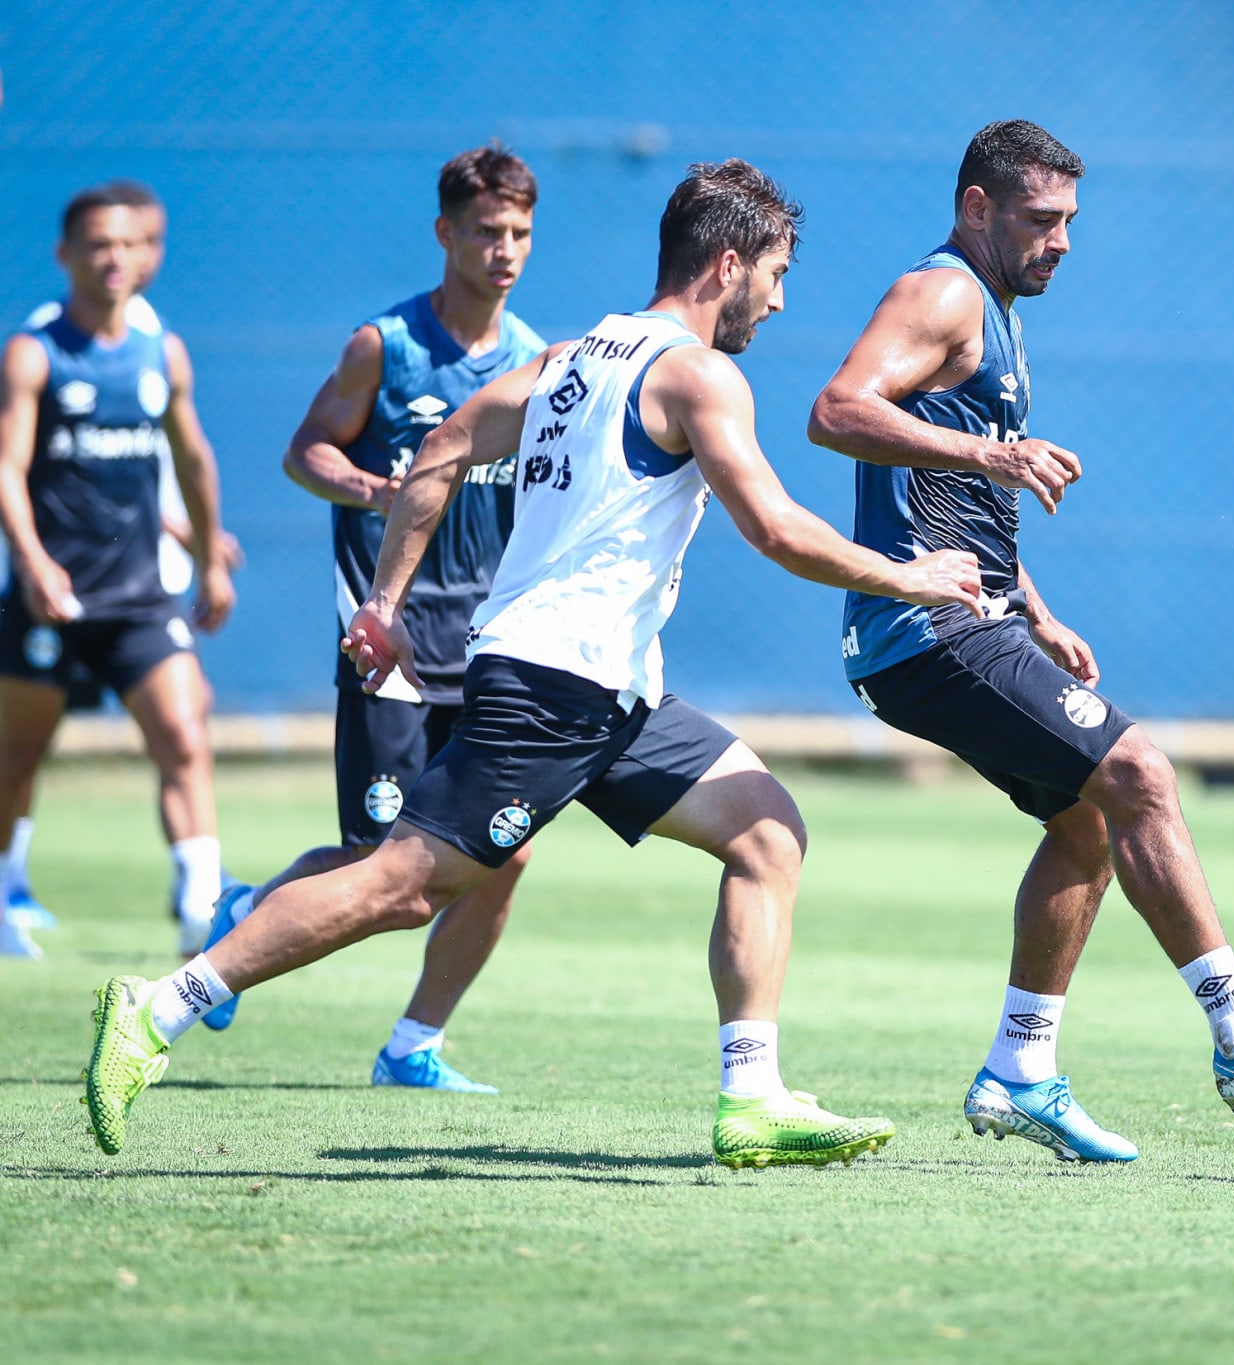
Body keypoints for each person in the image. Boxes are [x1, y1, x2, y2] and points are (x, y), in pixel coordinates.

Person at [82, 159, 984, 1168]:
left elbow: (441, 448)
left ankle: (752, 1098)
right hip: (557, 683)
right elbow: (772, 527)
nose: (779, 299)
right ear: (725, 264)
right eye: (774, 272)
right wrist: (909, 577)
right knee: (400, 886)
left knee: (767, 835)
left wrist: (385, 603)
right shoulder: (696, 373)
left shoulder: (570, 355)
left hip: (615, 692)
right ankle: (158, 1009)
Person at [809, 120, 1234, 1164]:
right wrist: (993, 450)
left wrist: (1036, 606)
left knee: (1085, 826)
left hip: (964, 620)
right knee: (1140, 774)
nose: (1061, 240)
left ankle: (1018, 1072)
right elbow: (837, 409)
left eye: (1069, 220)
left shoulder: (993, 313)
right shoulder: (937, 293)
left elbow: (946, 496)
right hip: (924, 626)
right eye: (1039, 218)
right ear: (975, 208)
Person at [192, 147, 548, 1094]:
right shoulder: (383, 347)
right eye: (484, 231)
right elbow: (304, 451)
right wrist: (368, 484)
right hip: (388, 640)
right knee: (375, 857)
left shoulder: (536, 364)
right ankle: (245, 913)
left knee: (500, 854)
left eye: (517, 232)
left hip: (490, 648)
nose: (503, 249)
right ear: (446, 234)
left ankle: (413, 1045)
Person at [0, 185, 236, 962]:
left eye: (130, 244)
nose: (115, 258)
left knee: (181, 732)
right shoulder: (36, 352)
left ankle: (201, 906)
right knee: (18, 757)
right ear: (66, 254)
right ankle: (6, 890)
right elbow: (9, 464)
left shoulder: (161, 350)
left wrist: (208, 558)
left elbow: (191, 457)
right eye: (98, 244)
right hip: (56, 601)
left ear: (150, 256)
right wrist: (32, 564)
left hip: (141, 597)